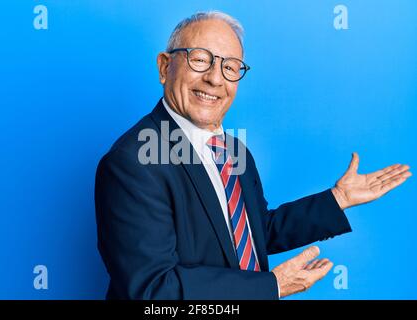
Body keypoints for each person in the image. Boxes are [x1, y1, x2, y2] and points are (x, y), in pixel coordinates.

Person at [94, 11, 411, 300]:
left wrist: (338, 198)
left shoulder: (232, 150)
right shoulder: (132, 162)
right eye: (200, 60)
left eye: (229, 67)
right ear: (165, 67)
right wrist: (270, 286)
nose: (215, 79)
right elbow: (152, 292)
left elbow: (254, 231)